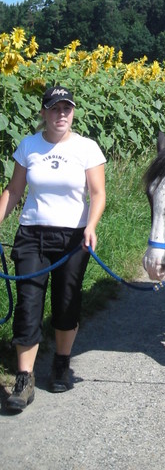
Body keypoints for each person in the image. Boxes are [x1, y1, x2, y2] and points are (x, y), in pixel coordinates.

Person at [0, 85, 106, 411]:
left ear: (73, 113)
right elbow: (14, 190)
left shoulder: (87, 148)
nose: (61, 114)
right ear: (43, 112)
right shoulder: (29, 146)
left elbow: (98, 194)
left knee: (66, 304)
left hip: (73, 239)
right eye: (55, 108)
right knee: (28, 305)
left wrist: (91, 226)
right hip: (31, 236)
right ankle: (24, 378)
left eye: (67, 109)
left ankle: (61, 362)